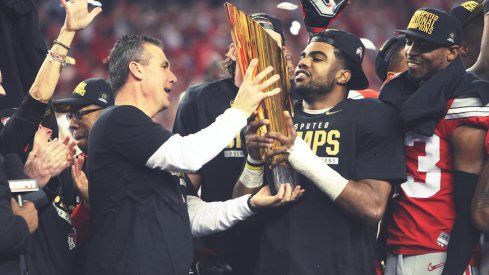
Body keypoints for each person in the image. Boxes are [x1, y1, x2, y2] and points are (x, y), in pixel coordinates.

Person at [85, 32, 283, 274]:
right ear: (137, 70)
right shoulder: (117, 119)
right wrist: (240, 109)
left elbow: (191, 216)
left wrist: (250, 203)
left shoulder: (152, 139)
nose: (173, 77)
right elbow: (189, 156)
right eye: (164, 66)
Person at [235, 29, 406, 275]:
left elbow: (371, 208)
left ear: (344, 75)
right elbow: (240, 207)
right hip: (274, 265)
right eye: (304, 55)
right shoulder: (275, 117)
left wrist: (302, 158)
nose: (303, 61)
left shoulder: (373, 116)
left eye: (317, 58)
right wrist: (252, 159)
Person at [173, 13, 287, 274]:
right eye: (255, 44)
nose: (264, 53)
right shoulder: (199, 100)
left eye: (272, 46)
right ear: (234, 51)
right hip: (220, 245)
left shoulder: (294, 102)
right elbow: (185, 186)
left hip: (278, 247)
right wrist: (196, 247)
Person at [378, 7, 489, 275]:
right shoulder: (397, 95)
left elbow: (469, 210)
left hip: (438, 249)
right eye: (409, 41)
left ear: (452, 52)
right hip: (397, 244)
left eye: (424, 45)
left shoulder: (465, 103)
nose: (412, 51)